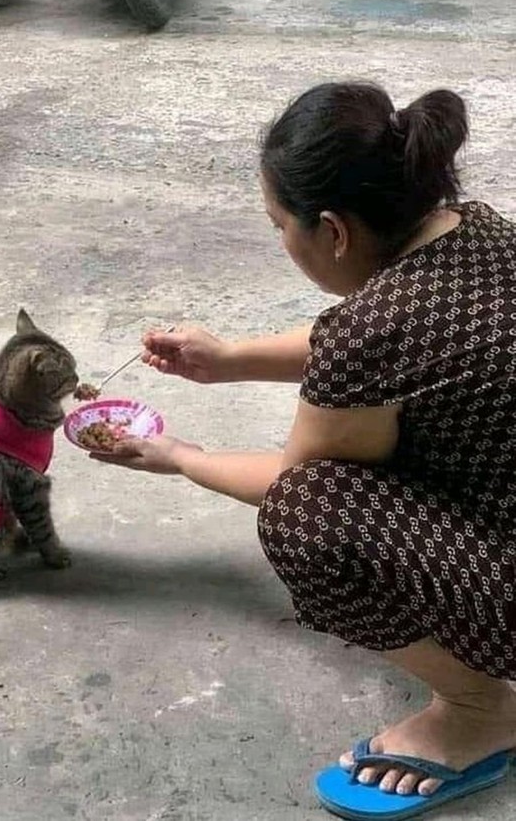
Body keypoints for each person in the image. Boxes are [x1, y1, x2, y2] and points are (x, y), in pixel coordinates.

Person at [92, 81, 516, 820]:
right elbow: (383, 338)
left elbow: (302, 474)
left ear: (332, 231)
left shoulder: (374, 331)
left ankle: (481, 709)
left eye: (277, 224)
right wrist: (229, 358)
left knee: (307, 516)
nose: (281, 241)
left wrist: (178, 456)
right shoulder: (474, 229)